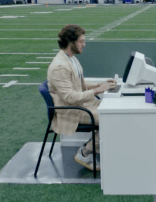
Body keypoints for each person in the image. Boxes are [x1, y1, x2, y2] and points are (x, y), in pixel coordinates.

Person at [47, 24, 117, 171]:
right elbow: (70, 97)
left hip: (81, 105)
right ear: (70, 42)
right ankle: (85, 152)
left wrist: (101, 85)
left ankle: (96, 149)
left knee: (115, 111)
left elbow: (79, 84)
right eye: (81, 41)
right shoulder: (60, 66)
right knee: (111, 117)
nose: (84, 45)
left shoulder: (70, 58)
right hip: (70, 111)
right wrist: (98, 90)